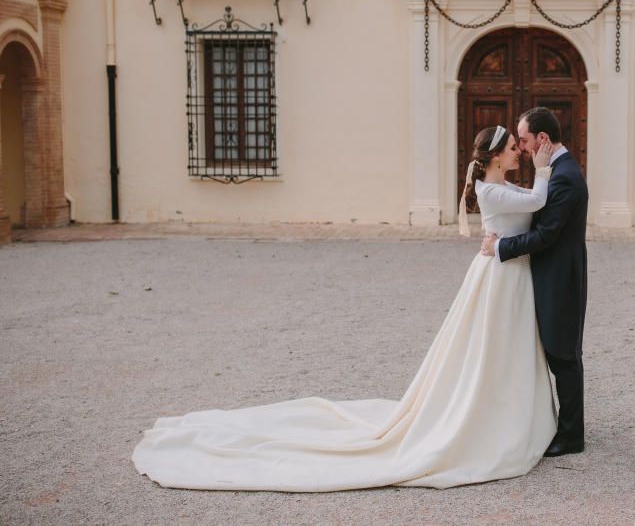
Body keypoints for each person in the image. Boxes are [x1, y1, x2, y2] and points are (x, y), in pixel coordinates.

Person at [132, 126, 558, 491]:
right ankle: (494, 417)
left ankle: (507, 409)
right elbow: (538, 202)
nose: (519, 151)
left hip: (506, 273)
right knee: (491, 348)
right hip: (500, 277)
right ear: (497, 155)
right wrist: (544, 165)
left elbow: (528, 205)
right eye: (514, 147)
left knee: (502, 348)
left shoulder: (499, 187)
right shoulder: (494, 191)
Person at [481, 107, 589, 457]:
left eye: (524, 140)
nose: (523, 148)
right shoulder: (555, 171)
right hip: (547, 274)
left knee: (563, 354)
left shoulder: (565, 176)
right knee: (555, 352)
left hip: (559, 276)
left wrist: (500, 246)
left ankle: (572, 436)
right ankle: (558, 423)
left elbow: (545, 235)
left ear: (542, 138)